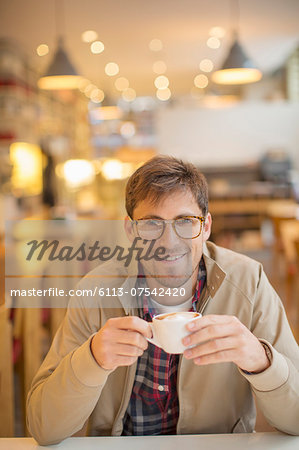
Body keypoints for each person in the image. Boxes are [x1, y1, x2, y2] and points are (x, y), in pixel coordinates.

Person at [27, 156, 299, 445]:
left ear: (205, 227)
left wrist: (260, 360)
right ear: (131, 230)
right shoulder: (95, 291)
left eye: (185, 221)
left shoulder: (249, 282)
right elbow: (44, 428)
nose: (169, 241)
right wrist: (91, 358)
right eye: (151, 224)